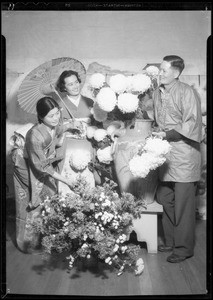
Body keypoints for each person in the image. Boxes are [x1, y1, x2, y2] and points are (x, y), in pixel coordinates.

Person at [11, 96, 80, 253]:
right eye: (51, 116)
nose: (56, 118)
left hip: (39, 164)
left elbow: (59, 128)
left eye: (57, 113)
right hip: (26, 166)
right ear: (41, 117)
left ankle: (47, 239)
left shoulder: (53, 124)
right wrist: (66, 180)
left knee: (49, 197)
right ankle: (29, 243)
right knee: (32, 200)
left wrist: (70, 126)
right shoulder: (34, 135)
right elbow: (42, 167)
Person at [152, 55, 202, 263]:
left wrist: (166, 134)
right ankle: (172, 240)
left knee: (183, 205)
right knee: (164, 197)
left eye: (164, 70)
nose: (160, 73)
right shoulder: (157, 92)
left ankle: (183, 249)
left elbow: (191, 123)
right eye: (160, 70)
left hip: (184, 155)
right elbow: (158, 120)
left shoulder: (187, 92)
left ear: (176, 73)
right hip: (166, 155)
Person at [55, 70, 97, 191]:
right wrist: (68, 126)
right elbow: (54, 130)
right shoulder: (58, 104)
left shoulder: (90, 102)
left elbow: (97, 127)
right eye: (70, 84)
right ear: (64, 87)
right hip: (67, 147)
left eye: (76, 82)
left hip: (87, 145)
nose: (75, 86)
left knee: (87, 182)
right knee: (68, 183)